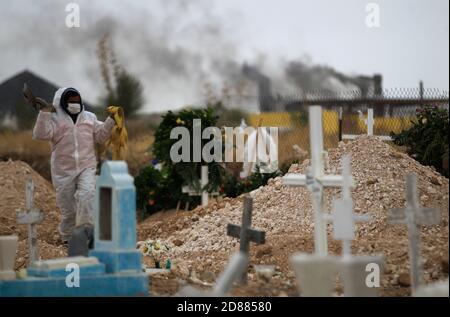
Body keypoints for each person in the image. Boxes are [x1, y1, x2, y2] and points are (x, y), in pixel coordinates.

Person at [32, 87, 115, 244]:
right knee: (69, 210)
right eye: (71, 102)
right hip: (63, 171)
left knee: (87, 196)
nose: (75, 104)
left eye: (77, 101)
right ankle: (68, 238)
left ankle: (88, 234)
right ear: (63, 102)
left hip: (86, 166)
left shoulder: (89, 117)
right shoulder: (54, 119)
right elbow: (41, 134)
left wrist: (110, 121)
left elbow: (100, 137)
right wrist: (44, 113)